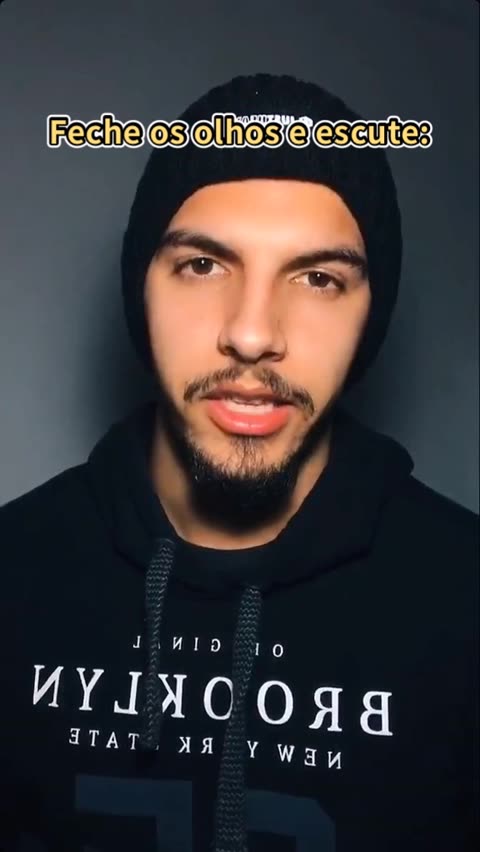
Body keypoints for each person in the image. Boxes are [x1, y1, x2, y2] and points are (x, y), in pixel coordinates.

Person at [1, 73, 478, 852]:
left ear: (372, 315)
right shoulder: (14, 571)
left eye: (319, 278)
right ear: (140, 286)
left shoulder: (463, 598)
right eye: (203, 265)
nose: (253, 334)